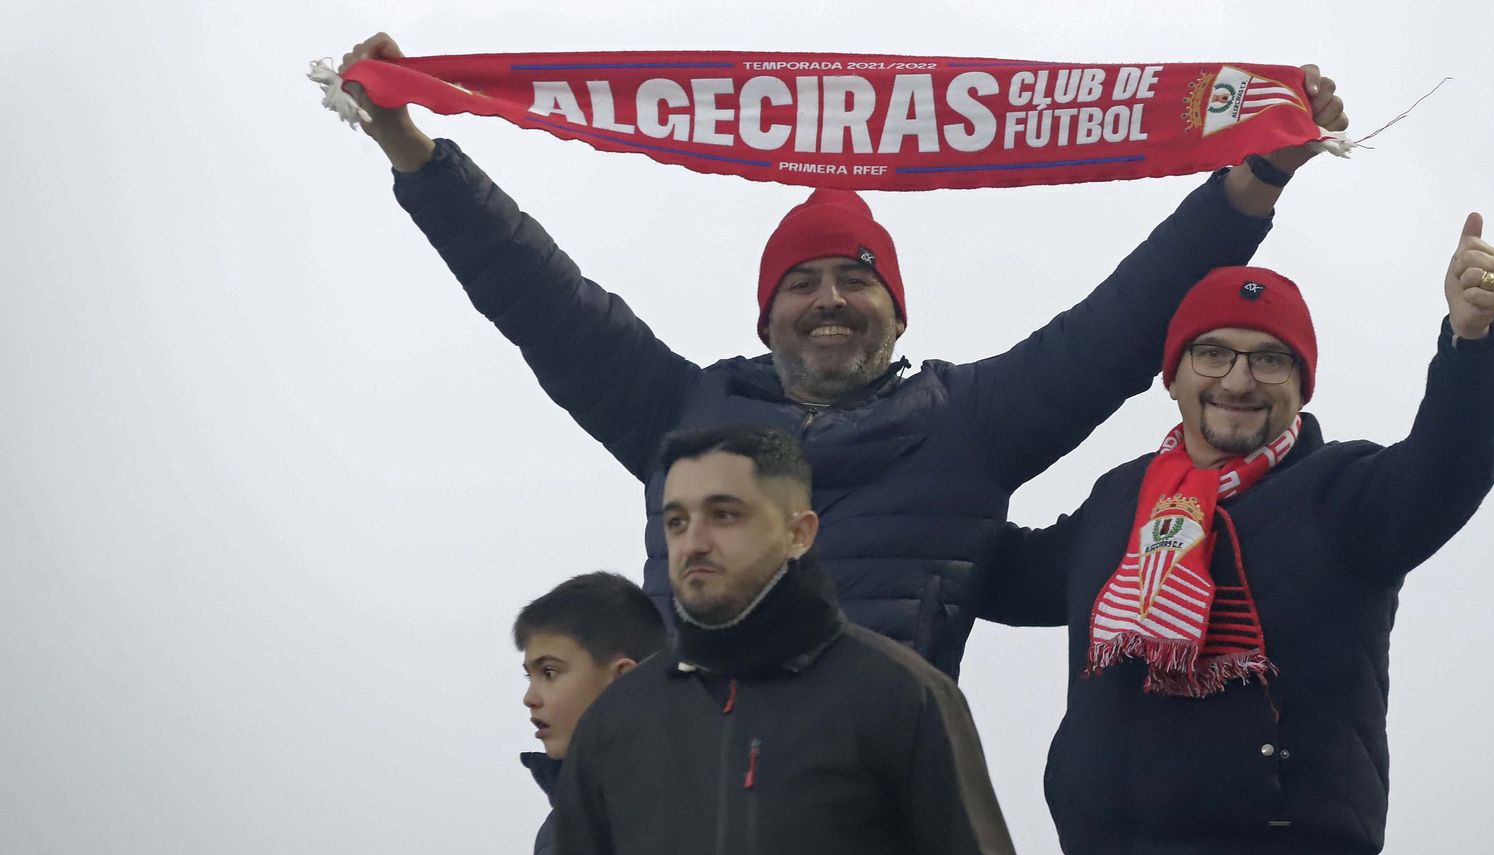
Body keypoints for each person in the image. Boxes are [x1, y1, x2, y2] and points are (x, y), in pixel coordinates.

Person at [334, 33, 1349, 678]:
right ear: (767, 315)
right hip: (680, 825)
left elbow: (1125, 323)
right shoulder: (679, 419)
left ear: (895, 314)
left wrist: (1253, 176)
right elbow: (541, 303)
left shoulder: (971, 429)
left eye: (856, 282)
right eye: (803, 285)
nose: (830, 301)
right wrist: (416, 154)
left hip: (869, 842)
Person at [975, 216, 1494, 855]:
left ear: (1302, 384)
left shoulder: (1344, 491)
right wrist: (907, 480)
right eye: (1213, 353)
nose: (1237, 380)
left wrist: (1469, 343)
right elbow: (1002, 575)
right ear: (1173, 373)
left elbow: (1448, 473)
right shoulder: (1118, 503)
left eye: (1269, 360)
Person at [543, 425, 1050, 855]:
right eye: (677, 521)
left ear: (799, 533)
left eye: (725, 514)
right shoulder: (618, 722)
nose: (694, 542)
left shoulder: (898, 696)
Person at [512, 573, 667, 855]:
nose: (530, 697)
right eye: (528, 675)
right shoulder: (563, 822)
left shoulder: (676, 804)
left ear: (622, 679)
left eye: (549, 672)